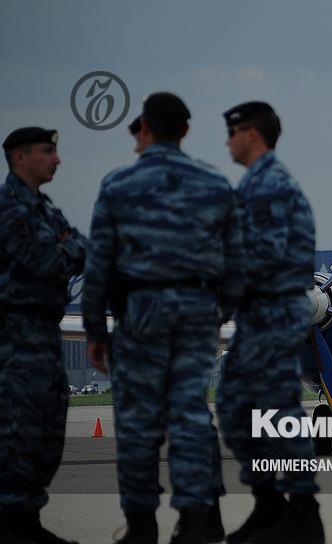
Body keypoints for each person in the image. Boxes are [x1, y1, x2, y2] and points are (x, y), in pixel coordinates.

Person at [83, 92, 244, 544]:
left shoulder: (118, 185)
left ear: (146, 129)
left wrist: (95, 328)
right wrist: (216, 314)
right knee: (190, 414)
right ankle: (197, 517)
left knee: (138, 422)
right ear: (186, 131)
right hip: (195, 314)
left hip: (139, 315)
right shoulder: (214, 185)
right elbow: (238, 265)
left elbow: (98, 264)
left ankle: (141, 524)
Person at [216, 101, 324, 544]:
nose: (227, 141)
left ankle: (302, 511)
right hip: (257, 316)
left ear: (251, 135)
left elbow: (259, 259)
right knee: (236, 408)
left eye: (232, 132)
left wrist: (213, 305)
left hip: (272, 316)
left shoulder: (269, 187)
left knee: (277, 413)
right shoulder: (255, 185)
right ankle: (270, 504)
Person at [0, 127, 86, 544]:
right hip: (15, 340)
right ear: (20, 157)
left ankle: (27, 523)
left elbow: (82, 249)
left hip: (44, 337)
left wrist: (69, 246)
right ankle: (12, 524)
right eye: (48, 151)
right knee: (17, 433)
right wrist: (68, 246)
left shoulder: (44, 210)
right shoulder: (10, 210)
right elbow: (51, 259)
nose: (57, 160)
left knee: (47, 436)